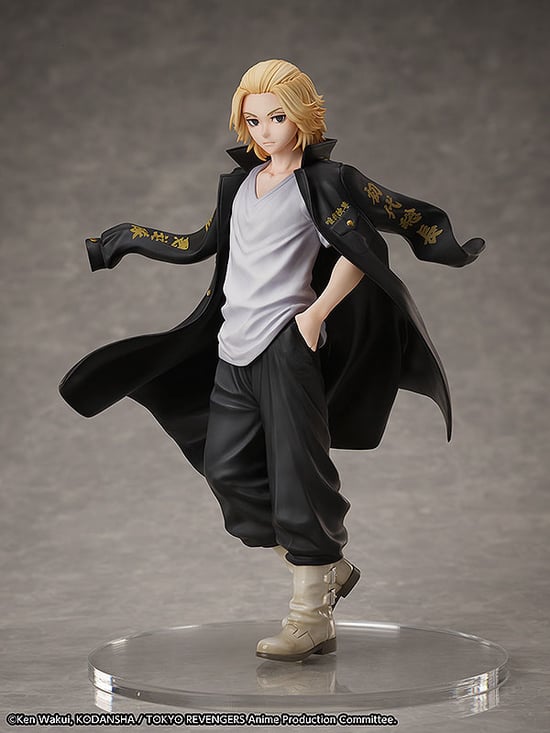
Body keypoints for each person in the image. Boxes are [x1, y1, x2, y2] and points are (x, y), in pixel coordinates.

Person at [59, 59, 485, 663]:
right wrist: (128, 237)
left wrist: (315, 316)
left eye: (276, 117)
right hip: (232, 345)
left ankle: (310, 615)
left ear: (304, 117)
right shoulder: (239, 185)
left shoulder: (327, 181)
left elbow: (363, 249)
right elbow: (200, 243)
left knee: (297, 473)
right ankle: (327, 567)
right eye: (253, 120)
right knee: (227, 470)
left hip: (286, 346)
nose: (263, 130)